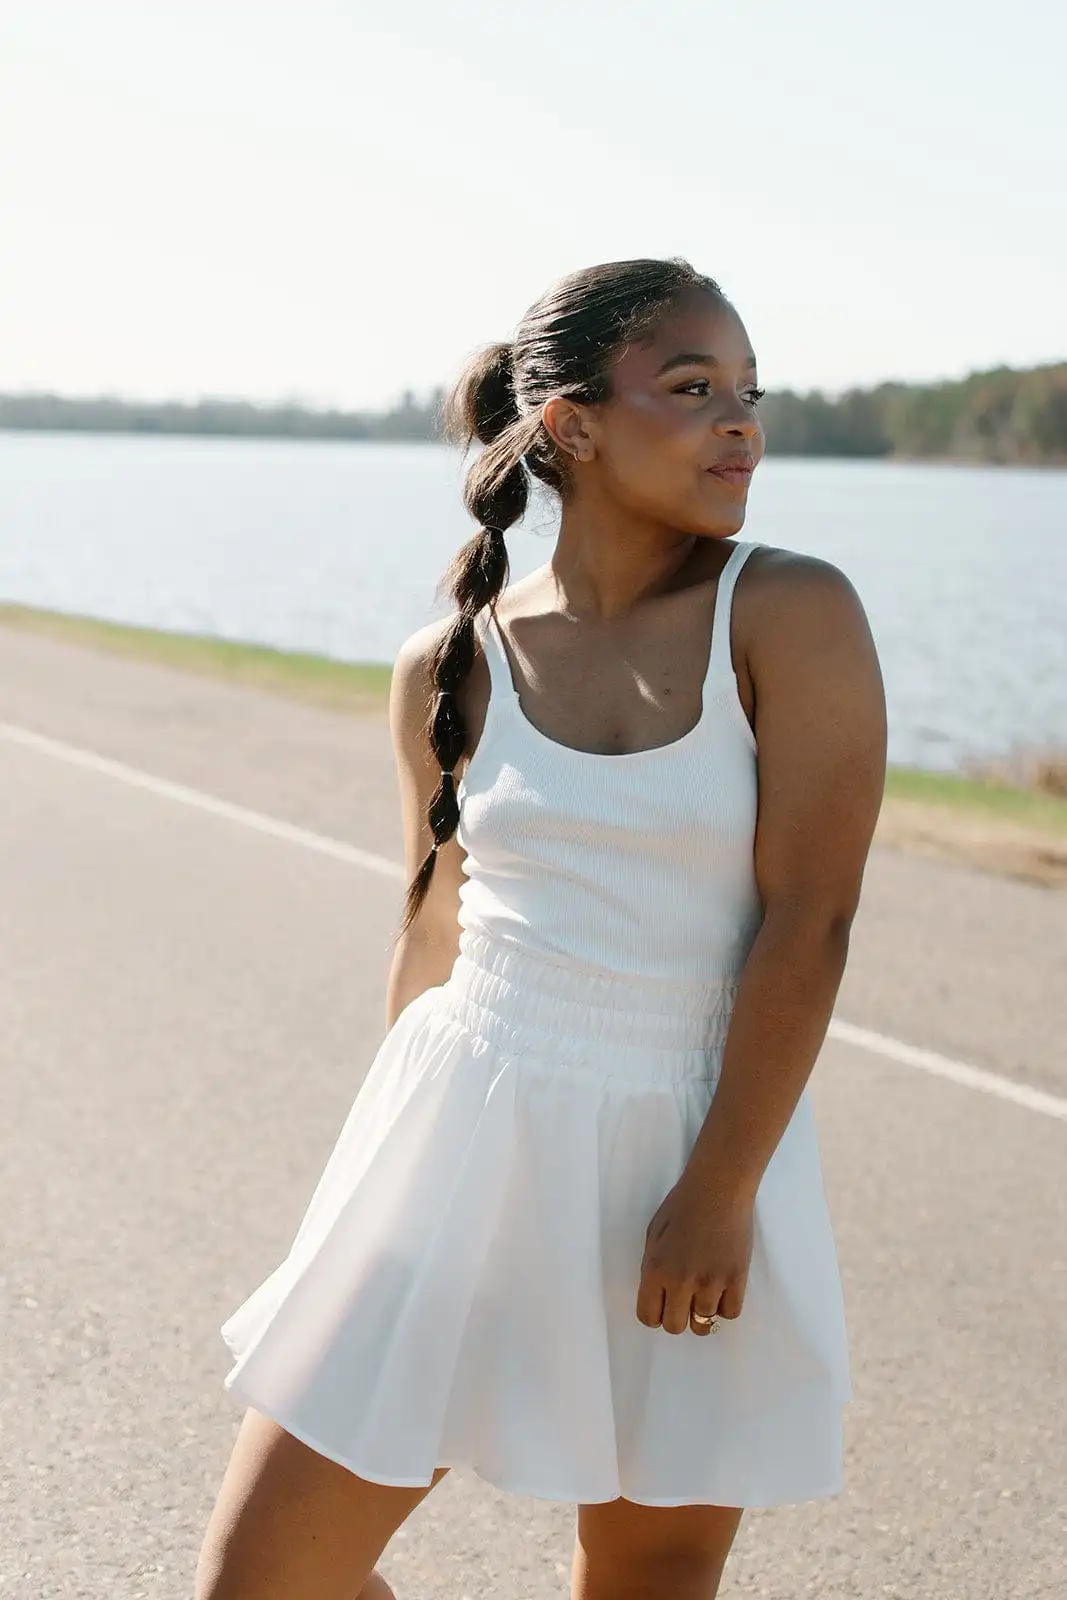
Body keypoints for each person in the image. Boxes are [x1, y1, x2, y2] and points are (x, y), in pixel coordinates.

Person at [195, 257, 887, 1600]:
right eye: (690, 389)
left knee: (646, 1578)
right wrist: (373, 1190)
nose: (738, 422)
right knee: (263, 1577)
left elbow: (812, 920)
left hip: (688, 1139)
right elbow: (432, 931)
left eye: (749, 393)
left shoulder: (791, 613)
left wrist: (719, 1189)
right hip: (466, 1123)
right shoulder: (446, 663)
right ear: (569, 423)